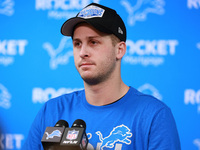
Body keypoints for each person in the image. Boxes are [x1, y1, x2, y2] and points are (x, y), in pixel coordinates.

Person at [23, 3, 181, 150]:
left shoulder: (153, 116)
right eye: (77, 43)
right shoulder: (52, 111)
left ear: (119, 50)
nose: (83, 52)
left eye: (93, 42)